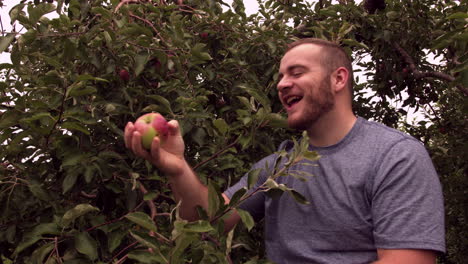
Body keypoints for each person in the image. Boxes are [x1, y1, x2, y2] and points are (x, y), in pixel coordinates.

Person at [124, 38, 445, 264]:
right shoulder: (279, 165)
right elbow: (211, 219)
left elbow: (408, 260)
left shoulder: (394, 156)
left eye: (296, 72)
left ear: (338, 78)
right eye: (280, 76)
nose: (281, 84)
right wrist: (179, 167)